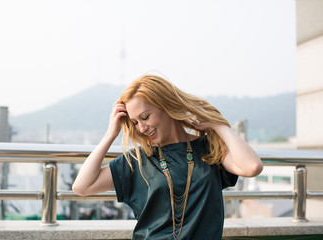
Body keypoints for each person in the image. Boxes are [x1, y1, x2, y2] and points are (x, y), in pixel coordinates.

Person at [72, 74, 263, 240]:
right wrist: (110, 135)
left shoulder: (208, 148)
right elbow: (82, 186)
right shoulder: (139, 159)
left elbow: (252, 167)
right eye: (134, 122)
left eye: (145, 117)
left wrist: (219, 126)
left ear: (166, 106)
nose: (141, 128)